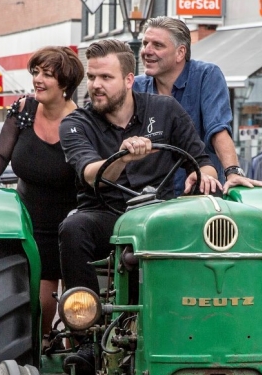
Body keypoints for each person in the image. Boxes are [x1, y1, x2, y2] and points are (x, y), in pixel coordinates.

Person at [58, 39, 221, 374]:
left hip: (159, 215)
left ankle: (212, 324)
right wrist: (122, 155)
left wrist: (204, 176)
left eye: (106, 77)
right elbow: (91, 174)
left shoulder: (166, 110)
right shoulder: (76, 123)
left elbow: (200, 159)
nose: (96, 86)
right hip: (106, 216)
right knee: (74, 228)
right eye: (92, 77)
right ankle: (89, 337)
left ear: (129, 80)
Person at [0, 46, 84, 348]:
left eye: (47, 75)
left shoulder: (82, 123)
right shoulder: (23, 110)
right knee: (36, 311)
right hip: (27, 222)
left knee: (76, 312)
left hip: (71, 226)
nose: (37, 79)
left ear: (65, 84)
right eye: (35, 72)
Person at [133, 16, 262, 194]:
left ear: (180, 53)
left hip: (200, 195)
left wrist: (233, 171)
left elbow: (218, 129)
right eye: (145, 43)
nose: (146, 51)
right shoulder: (136, 86)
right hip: (148, 197)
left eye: (157, 45)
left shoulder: (206, 75)